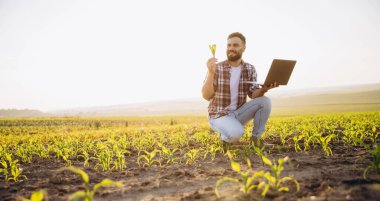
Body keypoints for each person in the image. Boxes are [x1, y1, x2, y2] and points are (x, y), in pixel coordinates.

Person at [202, 32, 278, 145]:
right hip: (218, 115)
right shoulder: (216, 68)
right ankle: (225, 137)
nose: (231, 48)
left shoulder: (249, 68)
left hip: (238, 113)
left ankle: (256, 139)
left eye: (235, 45)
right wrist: (210, 73)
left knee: (265, 101)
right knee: (236, 134)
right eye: (229, 45)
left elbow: (253, 94)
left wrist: (263, 89)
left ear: (243, 48)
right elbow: (206, 95)